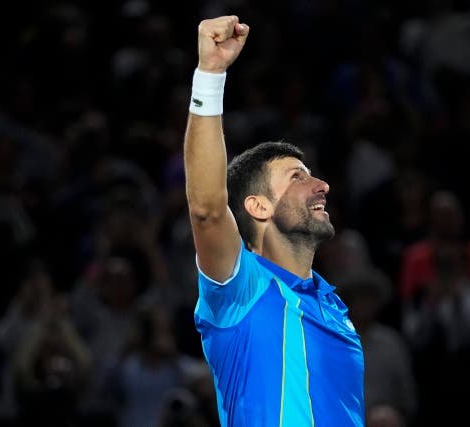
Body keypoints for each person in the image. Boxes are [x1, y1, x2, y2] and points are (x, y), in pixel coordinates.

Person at [184, 15, 365, 427]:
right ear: (258, 207)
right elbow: (208, 210)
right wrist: (210, 75)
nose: (322, 185)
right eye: (297, 177)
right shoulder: (241, 289)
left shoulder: (335, 307)